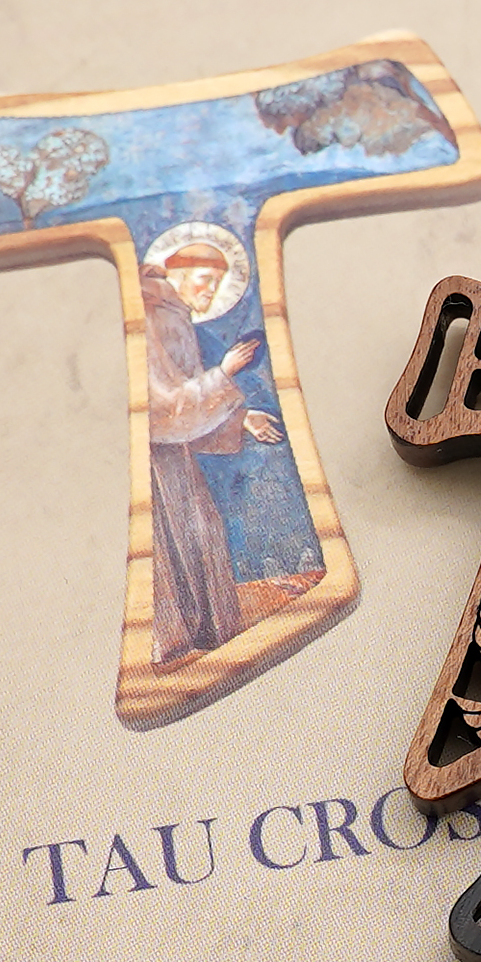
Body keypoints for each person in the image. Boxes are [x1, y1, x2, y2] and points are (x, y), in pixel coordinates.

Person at [140, 239, 283, 665]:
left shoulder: (175, 314)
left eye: (218, 284)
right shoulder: (148, 314)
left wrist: (242, 419)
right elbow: (160, 409)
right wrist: (224, 373)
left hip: (174, 456)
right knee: (176, 540)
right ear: (178, 274)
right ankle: (175, 643)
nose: (210, 292)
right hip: (152, 466)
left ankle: (203, 637)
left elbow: (184, 411)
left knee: (201, 531)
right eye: (205, 279)